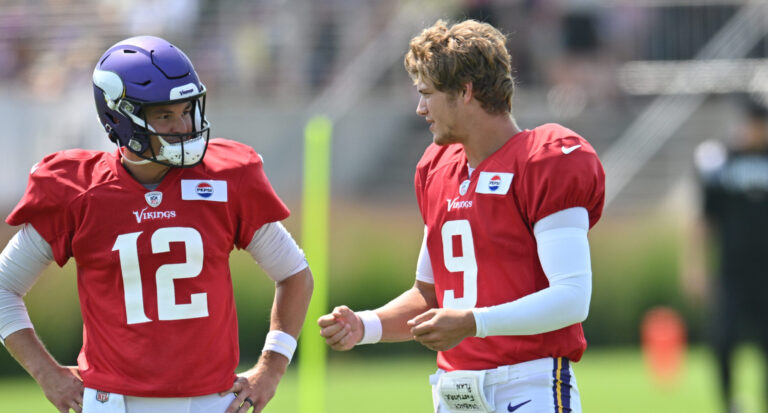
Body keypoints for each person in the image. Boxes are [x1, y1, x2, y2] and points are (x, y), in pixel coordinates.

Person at [0, 36, 313, 413]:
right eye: (165, 115)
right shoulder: (78, 190)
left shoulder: (225, 179)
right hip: (113, 403)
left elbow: (295, 273)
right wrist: (46, 373)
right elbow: (3, 288)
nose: (183, 126)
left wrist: (272, 367)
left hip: (213, 403)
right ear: (118, 117)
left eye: (187, 110)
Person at [318, 19, 605, 413]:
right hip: (455, 391)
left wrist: (474, 322)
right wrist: (364, 326)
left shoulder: (545, 160)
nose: (420, 108)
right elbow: (430, 296)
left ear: (465, 92)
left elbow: (572, 298)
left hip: (529, 383)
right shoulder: (437, 169)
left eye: (427, 94)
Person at [691, 96, 768, 413]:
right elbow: (703, 219)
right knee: (723, 340)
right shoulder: (721, 163)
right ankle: (729, 404)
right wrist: (695, 266)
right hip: (732, 271)